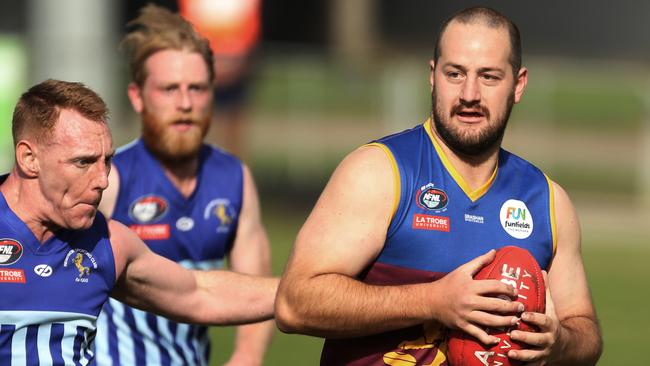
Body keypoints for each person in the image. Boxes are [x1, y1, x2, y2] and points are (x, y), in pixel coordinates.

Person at [275, 6, 602, 366]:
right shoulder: (380, 172)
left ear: (518, 84)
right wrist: (432, 301)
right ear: (433, 76)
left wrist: (560, 344)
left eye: (489, 77)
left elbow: (584, 330)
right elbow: (295, 303)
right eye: (455, 73)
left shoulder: (547, 201)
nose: (470, 94)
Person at [0, 79, 276, 365]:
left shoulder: (107, 243)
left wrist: (302, 292)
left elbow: (199, 293)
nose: (102, 180)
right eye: (83, 162)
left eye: (106, 161)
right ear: (29, 158)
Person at [93, 4, 273, 366]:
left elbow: (260, 288)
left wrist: (247, 355)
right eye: (169, 89)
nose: (185, 103)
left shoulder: (234, 180)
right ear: (137, 96)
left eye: (197, 88)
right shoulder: (107, 181)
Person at [178, 0, 262, 157]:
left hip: (236, 60)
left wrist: (239, 54)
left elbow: (250, 24)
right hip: (203, 59)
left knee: (233, 125)